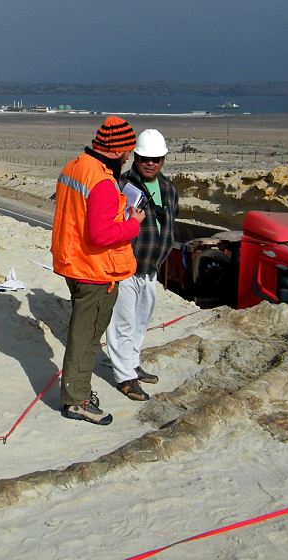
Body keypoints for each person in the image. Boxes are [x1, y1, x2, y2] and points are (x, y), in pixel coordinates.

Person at [51, 116, 145, 425]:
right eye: (128, 149)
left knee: (83, 331)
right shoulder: (102, 181)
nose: (130, 155)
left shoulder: (75, 166)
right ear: (119, 151)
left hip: (73, 261)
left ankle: (75, 392)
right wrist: (133, 224)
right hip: (94, 270)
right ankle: (77, 399)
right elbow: (102, 235)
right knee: (86, 337)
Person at [105, 129, 179, 393]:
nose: (151, 163)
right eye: (145, 158)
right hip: (126, 267)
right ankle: (124, 377)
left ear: (163, 160)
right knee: (121, 323)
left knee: (140, 321)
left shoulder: (169, 189)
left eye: (156, 159)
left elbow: (170, 224)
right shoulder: (121, 185)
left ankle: (132, 362)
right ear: (136, 158)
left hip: (151, 268)